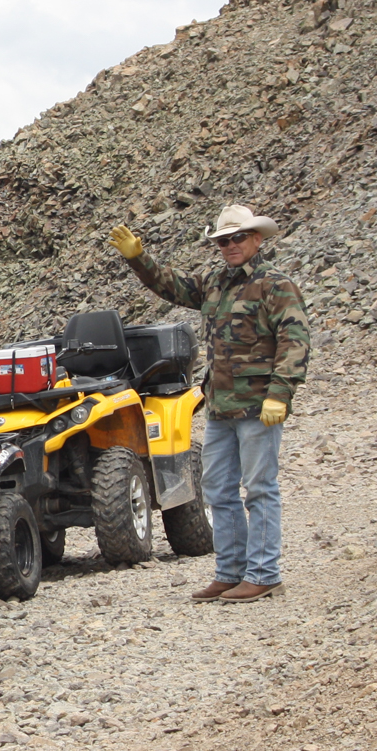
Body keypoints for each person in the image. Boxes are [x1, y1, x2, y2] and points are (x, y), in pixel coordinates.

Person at [109, 204, 311, 603]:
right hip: (220, 407)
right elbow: (172, 286)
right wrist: (139, 258)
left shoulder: (276, 285)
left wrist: (281, 392)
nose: (230, 245)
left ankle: (264, 574)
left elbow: (295, 339)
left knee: (260, 489)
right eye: (223, 241)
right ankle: (231, 572)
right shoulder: (216, 283)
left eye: (238, 238)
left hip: (258, 406)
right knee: (217, 489)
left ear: (257, 239)